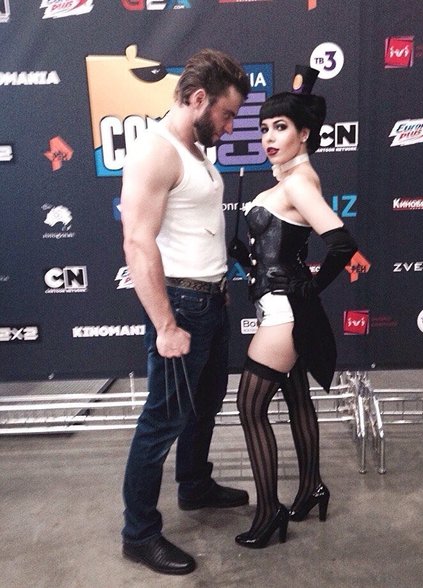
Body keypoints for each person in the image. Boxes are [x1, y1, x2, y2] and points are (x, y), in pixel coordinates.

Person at [120, 48, 251, 575]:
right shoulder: (156, 151)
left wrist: (219, 287)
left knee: (204, 406)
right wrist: (165, 325)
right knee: (162, 420)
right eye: (226, 113)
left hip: (210, 299)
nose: (230, 125)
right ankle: (138, 534)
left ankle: (194, 485)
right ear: (198, 99)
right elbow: (137, 241)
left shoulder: (195, 149)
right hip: (181, 306)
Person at [229, 66, 357, 549]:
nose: (268, 137)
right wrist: (249, 259)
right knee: (297, 397)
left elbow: (342, 244)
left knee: (249, 407)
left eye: (280, 127)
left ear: (304, 133)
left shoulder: (300, 182)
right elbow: (279, 250)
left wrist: (309, 288)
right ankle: (311, 487)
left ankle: (269, 513)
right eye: (264, 128)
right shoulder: (289, 181)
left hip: (284, 313)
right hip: (277, 305)